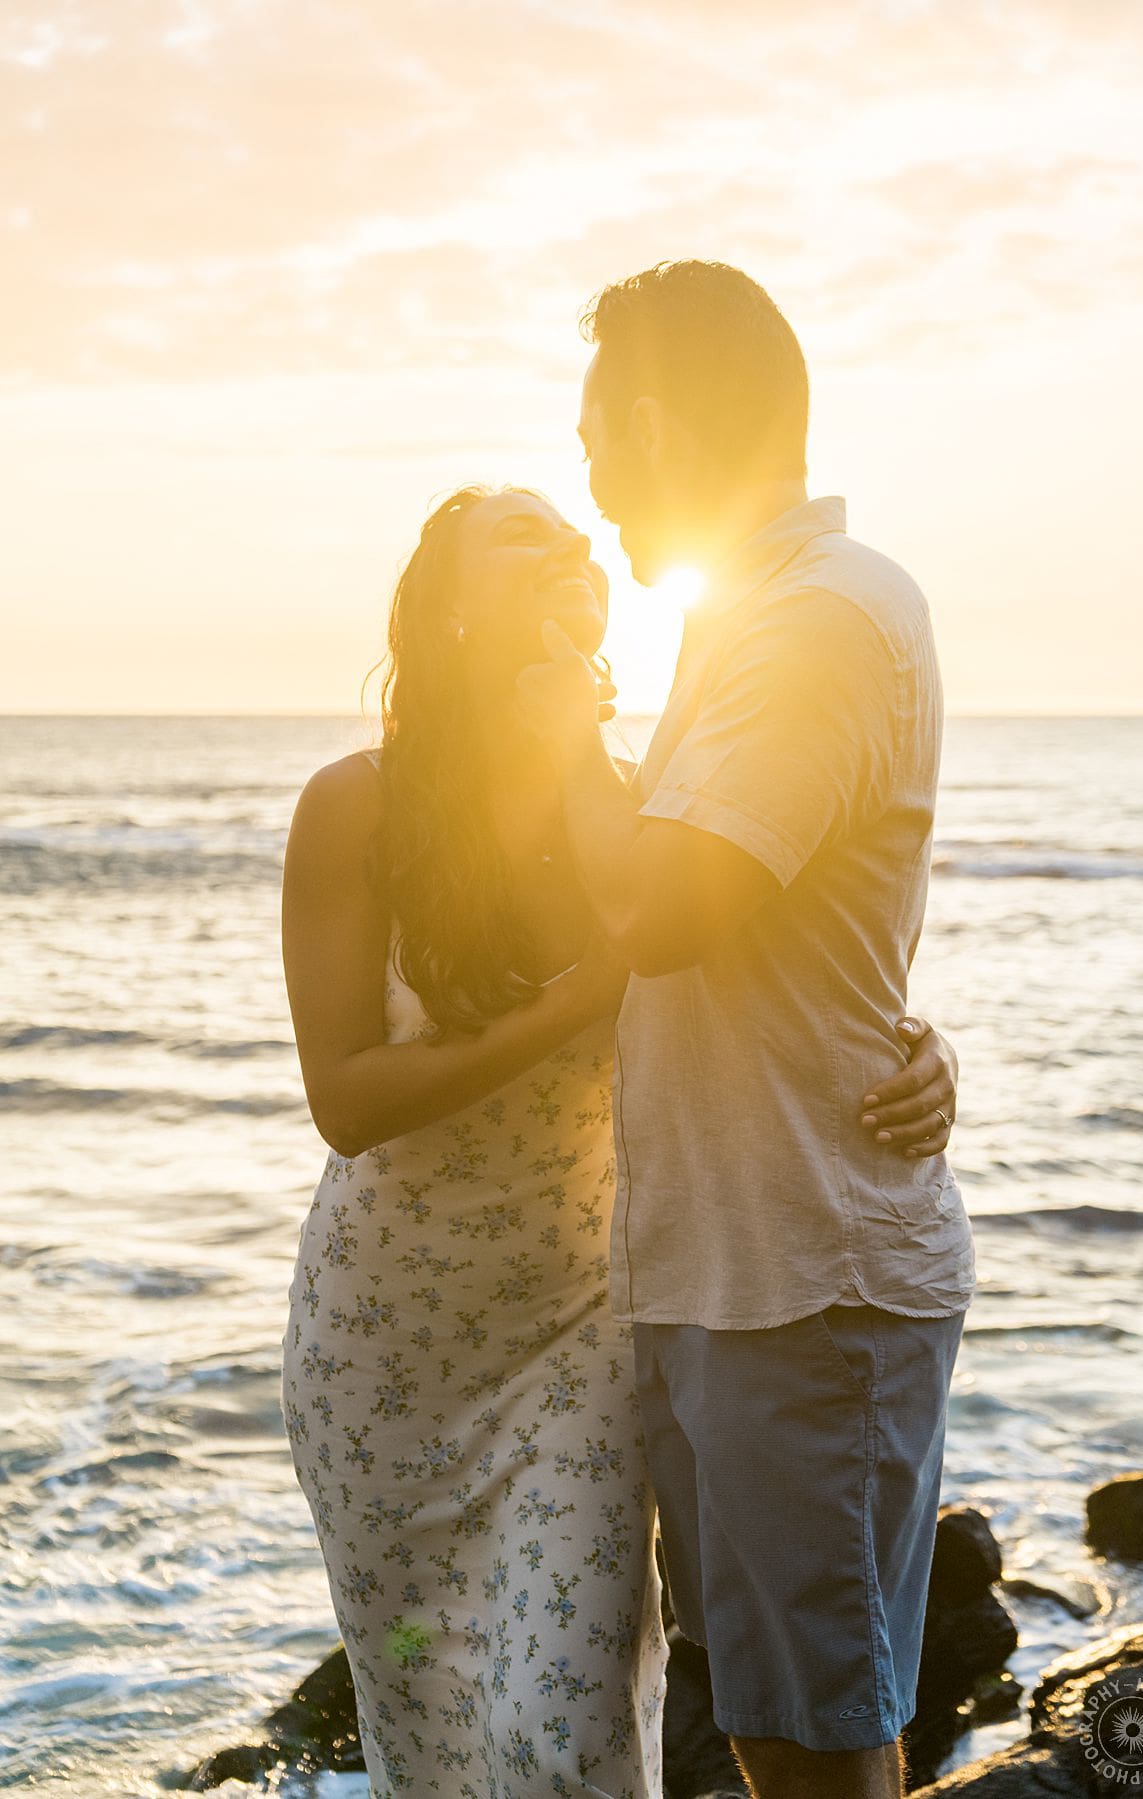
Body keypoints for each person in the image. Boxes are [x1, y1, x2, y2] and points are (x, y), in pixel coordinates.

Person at [279, 479, 962, 1797]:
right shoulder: (353, 808)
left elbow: (791, 977)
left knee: (559, 1727)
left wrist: (925, 1051)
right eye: (525, 539)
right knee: (426, 1707)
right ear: (455, 618)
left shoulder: (641, 813)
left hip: (582, 1338)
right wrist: (571, 1008)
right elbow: (347, 1099)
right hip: (389, 1359)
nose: (575, 547)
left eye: (578, 540)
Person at [515, 260, 976, 1799]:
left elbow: (663, 912)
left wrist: (556, 731)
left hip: (803, 1282)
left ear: (651, 420)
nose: (592, 480)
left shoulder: (820, 623)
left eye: (596, 439)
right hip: (732, 1269)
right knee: (778, 1725)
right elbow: (798, 934)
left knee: (822, 1745)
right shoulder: (752, 623)